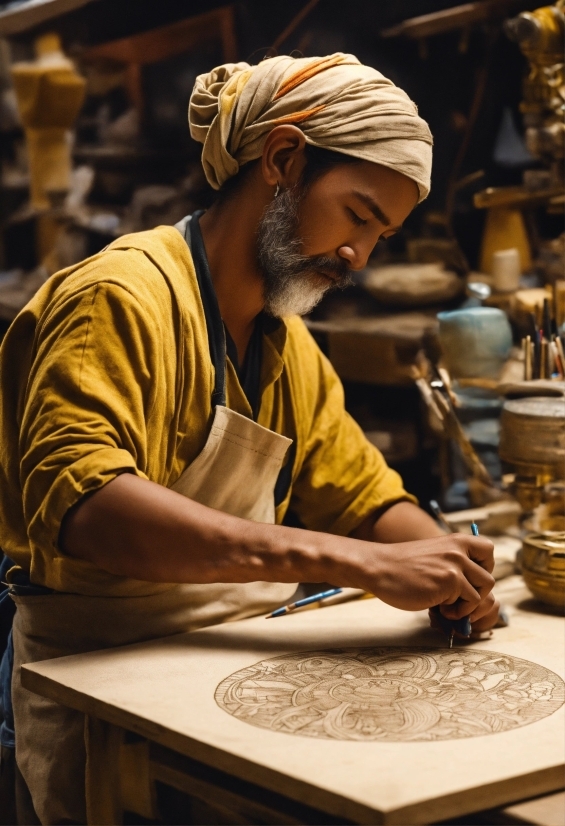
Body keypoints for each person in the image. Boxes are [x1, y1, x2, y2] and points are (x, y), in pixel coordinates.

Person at [0, 53, 498, 824]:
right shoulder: (119, 296)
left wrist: (443, 568)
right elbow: (88, 508)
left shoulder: (283, 340)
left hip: (225, 668)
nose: (356, 258)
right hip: (97, 685)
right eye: (358, 216)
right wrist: (352, 560)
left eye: (382, 236)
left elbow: (362, 497)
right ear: (283, 159)